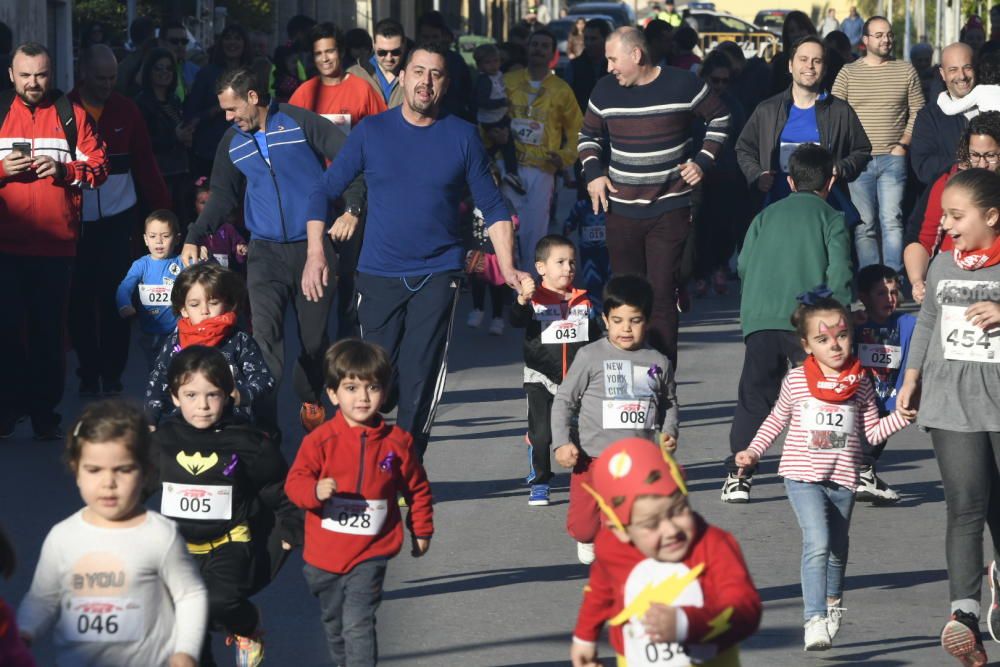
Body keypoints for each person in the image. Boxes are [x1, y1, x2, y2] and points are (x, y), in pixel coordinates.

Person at [305, 41, 525, 460]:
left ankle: (403, 465)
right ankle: (366, 455)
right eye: (419, 72)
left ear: (445, 83)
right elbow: (324, 191)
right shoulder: (372, 132)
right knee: (375, 379)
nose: (426, 82)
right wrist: (316, 252)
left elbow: (493, 206)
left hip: (437, 274)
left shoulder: (462, 136)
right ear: (402, 77)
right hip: (378, 274)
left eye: (436, 74)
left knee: (421, 374)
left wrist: (509, 267)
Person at [180, 65, 364, 434]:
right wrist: (194, 234)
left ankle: (310, 394)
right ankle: (265, 431)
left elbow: (352, 164)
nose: (229, 118)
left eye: (233, 109)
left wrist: (351, 209)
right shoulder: (232, 141)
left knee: (313, 343)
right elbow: (222, 196)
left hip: (313, 249)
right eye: (224, 112)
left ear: (253, 97)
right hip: (264, 253)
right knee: (264, 341)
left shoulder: (298, 122)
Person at [735, 293, 909, 650]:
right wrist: (753, 450)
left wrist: (902, 418)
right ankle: (813, 618)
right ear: (806, 345)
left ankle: (832, 603)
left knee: (838, 548)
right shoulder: (797, 380)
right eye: (823, 339)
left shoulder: (860, 384)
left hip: (843, 479)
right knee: (818, 542)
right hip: (801, 476)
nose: (835, 345)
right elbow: (776, 419)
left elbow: (871, 433)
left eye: (842, 336)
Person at [897, 168, 1000, 666]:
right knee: (965, 506)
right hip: (950, 401)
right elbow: (930, 321)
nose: (949, 226)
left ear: (993, 216)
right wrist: (911, 376)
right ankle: (965, 616)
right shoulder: (941, 262)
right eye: (945, 217)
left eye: (957, 217)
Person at [579, 26, 730, 366]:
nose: (608, 68)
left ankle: (660, 381)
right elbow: (587, 136)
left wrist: (703, 161)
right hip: (621, 211)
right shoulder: (604, 91)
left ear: (637, 55)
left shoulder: (684, 84)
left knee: (661, 296)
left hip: (669, 207)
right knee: (624, 298)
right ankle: (625, 374)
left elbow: (720, 118)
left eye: (613, 59)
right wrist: (594, 174)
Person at [17, 400, 208, 666]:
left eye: (123, 470)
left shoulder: (159, 535)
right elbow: (43, 598)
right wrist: (22, 632)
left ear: (146, 472)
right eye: (94, 470)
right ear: (76, 471)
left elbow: (190, 594)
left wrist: (184, 652)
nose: (108, 483)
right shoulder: (63, 537)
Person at [285, 339, 433, 667]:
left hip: (372, 550)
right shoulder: (320, 441)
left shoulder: (398, 443)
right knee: (335, 625)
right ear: (334, 394)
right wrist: (314, 491)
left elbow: (418, 489)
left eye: (372, 387)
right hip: (324, 553)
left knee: (358, 622)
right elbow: (294, 484)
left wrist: (421, 529)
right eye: (351, 388)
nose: (363, 397)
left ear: (385, 392)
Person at [721, 145, 854, 504]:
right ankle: (824, 469)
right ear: (831, 180)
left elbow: (744, 265)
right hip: (810, 324)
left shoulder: (765, 216)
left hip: (760, 319)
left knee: (755, 396)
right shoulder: (832, 217)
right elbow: (840, 273)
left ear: (791, 181)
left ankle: (738, 476)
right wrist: (840, 321)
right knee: (820, 395)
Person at [154, 346, 302, 667]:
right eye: (191, 395)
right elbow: (136, 484)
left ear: (229, 394)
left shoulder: (248, 442)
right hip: (177, 549)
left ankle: (247, 626)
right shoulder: (163, 440)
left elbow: (276, 487)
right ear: (175, 397)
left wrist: (291, 524)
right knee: (184, 628)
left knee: (219, 602)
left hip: (230, 543)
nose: (203, 405)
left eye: (213, 395)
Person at [571, 439, 762, 667]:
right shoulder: (612, 546)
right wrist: (584, 638)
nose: (671, 530)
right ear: (620, 530)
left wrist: (686, 623)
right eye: (651, 524)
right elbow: (600, 592)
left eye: (678, 510)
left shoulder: (713, 544)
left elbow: (745, 608)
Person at [0, 42, 108, 440]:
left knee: (49, 336)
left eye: (41, 75)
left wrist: (64, 170)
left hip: (56, 248)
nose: (33, 83)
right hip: (5, 247)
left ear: (52, 73)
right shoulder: (0, 112)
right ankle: (7, 411)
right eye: (25, 75)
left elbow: (99, 168)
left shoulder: (71, 114)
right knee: (6, 333)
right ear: (11, 75)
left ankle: (45, 414)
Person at [551, 275, 679, 564]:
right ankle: (589, 537)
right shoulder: (590, 356)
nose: (626, 328)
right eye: (618, 320)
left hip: (638, 461)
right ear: (606, 320)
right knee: (584, 527)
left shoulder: (658, 362)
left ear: (647, 321)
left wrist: (669, 430)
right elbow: (564, 400)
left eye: (635, 320)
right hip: (592, 458)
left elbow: (668, 402)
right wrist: (561, 442)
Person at [68, 44, 171, 398]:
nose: (108, 84)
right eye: (101, 78)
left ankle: (112, 373)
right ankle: (87, 370)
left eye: (113, 77)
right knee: (79, 301)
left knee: (116, 299)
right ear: (83, 73)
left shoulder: (127, 110)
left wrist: (163, 213)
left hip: (117, 220)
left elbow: (145, 166)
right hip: (75, 222)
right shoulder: (63, 110)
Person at [289, 21, 387, 339]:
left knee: (350, 273)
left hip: (354, 193)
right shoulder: (304, 94)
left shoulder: (362, 90)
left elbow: (383, 136)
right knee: (319, 268)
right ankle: (317, 341)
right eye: (319, 53)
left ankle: (348, 338)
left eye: (330, 50)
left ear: (340, 52)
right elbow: (289, 146)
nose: (326, 58)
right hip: (317, 194)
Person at [510, 235, 602, 506]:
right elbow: (515, 320)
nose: (568, 268)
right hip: (540, 377)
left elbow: (595, 338)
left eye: (572, 262)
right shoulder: (534, 300)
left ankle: (584, 480)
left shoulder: (584, 301)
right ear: (541, 268)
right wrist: (521, 301)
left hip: (576, 380)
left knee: (580, 432)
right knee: (542, 435)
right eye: (560, 262)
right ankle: (540, 481)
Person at [735, 36, 871, 213]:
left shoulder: (840, 111)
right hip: (776, 207)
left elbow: (862, 150)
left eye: (817, 61)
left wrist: (841, 168)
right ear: (790, 65)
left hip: (824, 210)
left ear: (825, 69)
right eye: (803, 59)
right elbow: (744, 148)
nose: (810, 66)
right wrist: (757, 175)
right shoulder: (767, 110)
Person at [833, 16, 925, 272]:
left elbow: (918, 110)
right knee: (865, 224)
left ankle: (893, 276)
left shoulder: (905, 70)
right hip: (858, 160)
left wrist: (903, 144)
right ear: (865, 40)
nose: (886, 40)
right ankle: (871, 280)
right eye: (879, 35)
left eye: (889, 35)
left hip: (893, 157)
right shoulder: (848, 72)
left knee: (892, 221)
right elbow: (834, 112)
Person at [145, 263, 274, 427]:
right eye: (194, 304)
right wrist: (151, 417)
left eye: (213, 302)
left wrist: (242, 395)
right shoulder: (174, 341)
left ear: (227, 304)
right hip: (184, 425)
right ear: (183, 309)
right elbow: (158, 379)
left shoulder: (239, 340)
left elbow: (264, 378)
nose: (204, 311)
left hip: (231, 424)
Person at [500, 29, 582, 274]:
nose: (538, 49)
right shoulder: (509, 81)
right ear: (527, 47)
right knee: (506, 230)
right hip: (509, 167)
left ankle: (531, 289)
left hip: (542, 170)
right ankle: (509, 289)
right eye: (534, 44)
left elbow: (578, 130)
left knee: (535, 232)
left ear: (553, 54)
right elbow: (490, 118)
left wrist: (564, 157)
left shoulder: (561, 89)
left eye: (544, 46)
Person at [904, 112, 1000, 303]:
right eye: (975, 155)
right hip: (952, 281)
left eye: (990, 156)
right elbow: (922, 239)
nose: (982, 164)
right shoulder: (949, 181)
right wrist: (917, 282)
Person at [853, 264, 916, 503]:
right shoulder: (855, 324)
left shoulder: (907, 323)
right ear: (863, 297)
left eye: (893, 292)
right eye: (881, 293)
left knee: (879, 436)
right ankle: (862, 472)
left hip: (890, 396)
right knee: (864, 436)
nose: (890, 298)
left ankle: (865, 472)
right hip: (859, 396)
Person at [692, 50, 748, 298]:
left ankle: (719, 267)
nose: (720, 86)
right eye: (715, 80)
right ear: (704, 78)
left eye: (725, 81)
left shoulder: (734, 105)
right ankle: (702, 272)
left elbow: (743, 140)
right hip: (696, 175)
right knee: (700, 227)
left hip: (726, 175)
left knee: (724, 226)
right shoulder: (692, 104)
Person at [133, 47, 195, 227]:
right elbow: (142, 143)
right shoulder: (141, 103)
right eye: (158, 68)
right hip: (159, 176)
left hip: (180, 173)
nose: (164, 73)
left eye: (168, 68)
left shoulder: (174, 100)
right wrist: (174, 137)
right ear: (149, 71)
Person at [183, 23, 254, 179]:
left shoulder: (253, 74)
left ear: (245, 43)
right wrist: (218, 108)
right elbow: (191, 115)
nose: (232, 42)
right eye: (227, 38)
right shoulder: (207, 74)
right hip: (211, 153)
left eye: (237, 38)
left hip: (245, 152)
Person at [116, 209, 184, 369]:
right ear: (145, 239)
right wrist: (124, 304)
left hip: (178, 332)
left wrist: (203, 255)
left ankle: (172, 392)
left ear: (177, 239)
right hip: (149, 332)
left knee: (177, 369)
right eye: (153, 236)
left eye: (165, 236)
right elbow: (124, 287)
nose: (159, 242)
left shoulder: (182, 262)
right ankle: (158, 394)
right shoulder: (141, 265)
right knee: (155, 371)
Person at [911, 43, 976, 189]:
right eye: (953, 69)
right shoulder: (928, 117)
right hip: (945, 200)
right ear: (942, 73)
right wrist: (962, 163)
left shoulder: (992, 108)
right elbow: (923, 167)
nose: (962, 76)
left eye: (967, 67)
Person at [473, 43, 522, 193]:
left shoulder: (498, 75)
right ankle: (511, 172)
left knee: (499, 144)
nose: (493, 66)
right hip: (491, 119)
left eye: (496, 61)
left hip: (500, 115)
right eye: (488, 62)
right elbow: (482, 102)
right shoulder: (484, 81)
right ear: (480, 65)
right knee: (506, 145)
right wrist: (501, 102)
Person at [417, 11, 473, 121]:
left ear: (442, 36)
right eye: (426, 37)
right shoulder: (410, 61)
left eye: (435, 37)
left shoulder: (456, 62)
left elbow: (467, 96)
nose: (430, 42)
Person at [348, 18, 406, 107]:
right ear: (374, 46)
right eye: (382, 52)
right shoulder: (354, 74)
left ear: (403, 46)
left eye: (395, 52)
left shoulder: (415, 73)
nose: (389, 58)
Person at [194, 178, 248, 269]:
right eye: (203, 203)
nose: (208, 207)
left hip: (225, 277)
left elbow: (239, 253)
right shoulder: (194, 231)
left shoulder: (228, 228)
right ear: (194, 205)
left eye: (211, 203)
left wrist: (241, 251)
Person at [567, 18, 611, 114]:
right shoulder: (574, 66)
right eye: (586, 39)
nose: (589, 43)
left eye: (593, 39)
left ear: (606, 39)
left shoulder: (615, 67)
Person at [769, 11, 817, 96]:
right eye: (792, 31)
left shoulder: (826, 57)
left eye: (801, 29)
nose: (797, 34)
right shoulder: (780, 63)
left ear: (809, 30)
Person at [162, 20, 199, 101]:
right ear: (161, 43)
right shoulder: (152, 69)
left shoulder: (195, 71)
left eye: (184, 41)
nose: (180, 45)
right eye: (174, 41)